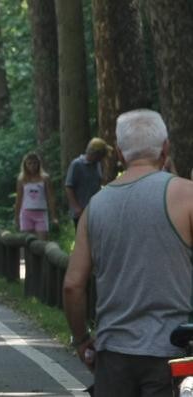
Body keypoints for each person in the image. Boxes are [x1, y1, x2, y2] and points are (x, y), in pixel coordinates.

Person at [63, 109, 193, 396]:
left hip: (114, 355)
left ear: (120, 153)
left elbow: (73, 286)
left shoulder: (95, 206)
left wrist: (82, 340)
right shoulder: (187, 195)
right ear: (166, 148)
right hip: (174, 352)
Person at [65, 137, 112, 226]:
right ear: (95, 153)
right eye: (102, 155)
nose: (102, 158)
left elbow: (99, 183)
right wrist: (76, 207)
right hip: (81, 211)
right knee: (83, 238)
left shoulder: (97, 165)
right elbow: (68, 187)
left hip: (95, 210)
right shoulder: (77, 164)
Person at [13, 152, 58, 240]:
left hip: (41, 214)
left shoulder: (45, 178)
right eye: (29, 163)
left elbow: (50, 198)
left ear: (39, 164)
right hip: (26, 213)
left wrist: (54, 217)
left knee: (42, 242)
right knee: (26, 242)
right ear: (25, 165)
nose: (32, 166)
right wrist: (16, 218)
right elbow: (18, 199)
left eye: (34, 163)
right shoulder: (21, 179)